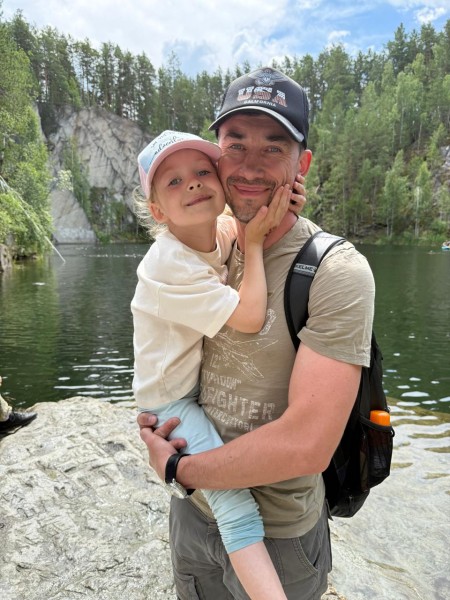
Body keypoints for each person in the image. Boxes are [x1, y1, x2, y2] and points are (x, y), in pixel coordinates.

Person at [138, 66, 375, 600]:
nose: (249, 165)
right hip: (193, 518)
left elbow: (306, 446)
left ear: (301, 164)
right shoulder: (208, 241)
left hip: (278, 537)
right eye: (236, 145)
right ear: (217, 158)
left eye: (273, 147)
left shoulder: (336, 273)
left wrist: (177, 467)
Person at [132, 129, 304, 600]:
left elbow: (238, 222)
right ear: (158, 212)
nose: (192, 183)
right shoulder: (169, 264)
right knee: (234, 506)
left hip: (181, 387)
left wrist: (283, 199)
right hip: (170, 402)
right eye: (173, 181)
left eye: (202, 172)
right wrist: (255, 245)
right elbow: (249, 318)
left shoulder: (211, 232)